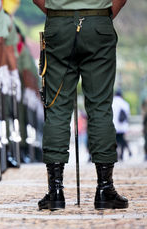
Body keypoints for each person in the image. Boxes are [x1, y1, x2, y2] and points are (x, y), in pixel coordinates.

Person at [33, 0, 128, 210]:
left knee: (56, 107)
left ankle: (55, 190)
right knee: (100, 107)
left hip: (59, 25)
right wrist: (104, 14)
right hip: (98, 22)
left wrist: (56, 13)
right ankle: (105, 188)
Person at [112, 90, 131, 160]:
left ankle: (116, 154)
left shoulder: (112, 102)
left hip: (114, 126)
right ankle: (122, 154)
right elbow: (128, 115)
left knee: (115, 141)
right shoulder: (125, 103)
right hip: (122, 126)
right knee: (122, 140)